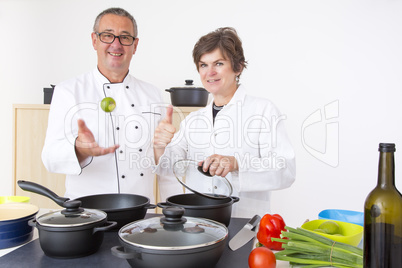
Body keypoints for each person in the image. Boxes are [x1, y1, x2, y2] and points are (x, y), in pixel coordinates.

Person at [153, 27, 296, 218]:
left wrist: (236, 164)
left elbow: (285, 171)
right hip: (199, 225)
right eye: (203, 65)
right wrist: (160, 146)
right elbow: (170, 167)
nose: (209, 72)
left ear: (238, 67)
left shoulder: (263, 111)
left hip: (245, 224)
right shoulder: (193, 120)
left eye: (218, 63)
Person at [42, 7, 181, 202]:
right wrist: (80, 149)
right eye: (108, 35)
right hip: (86, 215)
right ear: (94, 40)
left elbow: (166, 169)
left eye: (125, 37)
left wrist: (176, 211)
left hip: (140, 216)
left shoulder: (152, 94)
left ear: (135, 45)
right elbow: (50, 158)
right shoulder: (68, 91)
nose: (116, 44)